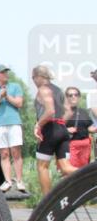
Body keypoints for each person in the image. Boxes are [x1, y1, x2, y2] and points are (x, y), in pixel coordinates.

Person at [32, 65, 76, 195]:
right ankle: (91, 173)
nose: (33, 81)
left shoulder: (43, 89)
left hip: (49, 129)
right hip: (62, 129)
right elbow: (68, 111)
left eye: (33, 78)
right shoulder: (58, 90)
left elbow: (50, 111)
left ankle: (46, 201)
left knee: (42, 166)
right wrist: (60, 124)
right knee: (66, 168)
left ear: (40, 77)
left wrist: (38, 125)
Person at [0, 64, 26, 193]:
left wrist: (7, 96)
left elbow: (19, 103)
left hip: (13, 122)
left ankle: (19, 180)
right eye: (3, 73)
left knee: (16, 152)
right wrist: (0, 97)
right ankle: (8, 180)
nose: (5, 75)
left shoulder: (15, 87)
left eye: (6, 72)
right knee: (4, 154)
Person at [66, 86, 95, 168]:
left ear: (79, 97)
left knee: (83, 171)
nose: (73, 97)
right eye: (70, 95)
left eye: (75, 94)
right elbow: (55, 128)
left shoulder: (83, 112)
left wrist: (95, 129)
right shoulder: (63, 112)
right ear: (66, 97)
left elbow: (89, 128)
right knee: (72, 170)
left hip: (85, 145)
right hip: (72, 145)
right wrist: (66, 129)